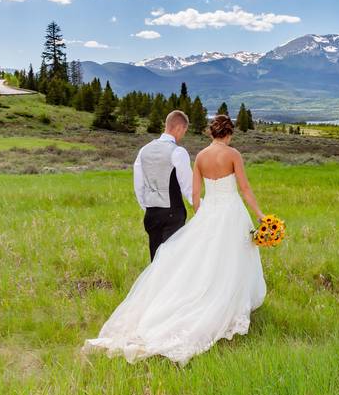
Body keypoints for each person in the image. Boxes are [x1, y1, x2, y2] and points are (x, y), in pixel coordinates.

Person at [83, 114, 267, 365]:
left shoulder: (200, 157)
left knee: (201, 260)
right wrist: (261, 216)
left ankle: (192, 299)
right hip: (231, 213)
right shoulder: (233, 154)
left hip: (207, 212)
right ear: (229, 133)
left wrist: (203, 216)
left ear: (212, 133)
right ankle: (226, 304)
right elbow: (244, 189)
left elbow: (194, 194)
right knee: (232, 259)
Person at [133, 110, 193, 262]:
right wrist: (202, 207)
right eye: (184, 131)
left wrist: (147, 207)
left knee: (155, 261)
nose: (183, 135)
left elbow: (138, 185)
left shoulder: (143, 150)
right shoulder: (178, 152)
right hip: (173, 213)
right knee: (172, 262)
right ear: (179, 128)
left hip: (151, 214)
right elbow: (188, 187)